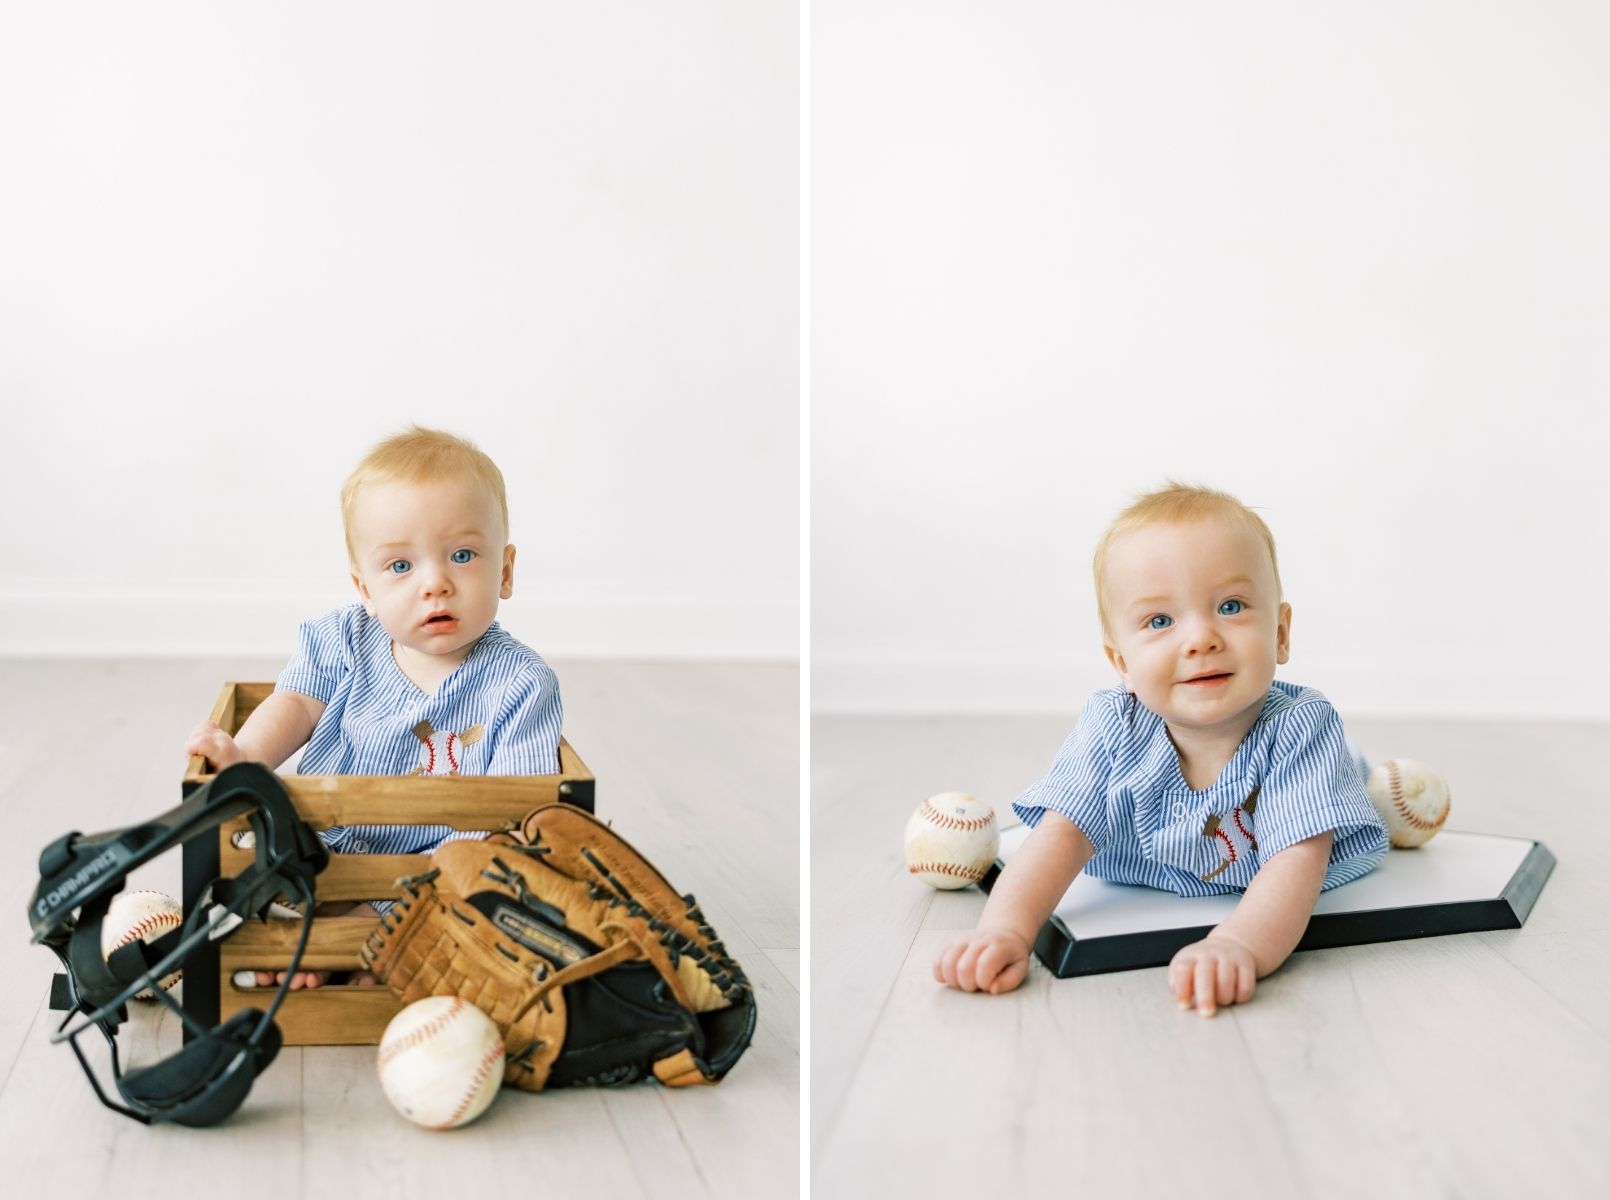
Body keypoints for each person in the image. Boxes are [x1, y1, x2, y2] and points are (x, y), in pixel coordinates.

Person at [933, 483, 1387, 1015]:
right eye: (1160, 621)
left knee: (1357, 780)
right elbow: (1060, 836)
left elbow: (1295, 864)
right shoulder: (1113, 725)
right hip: (1149, 857)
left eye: (1232, 606)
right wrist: (1005, 931)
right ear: (1121, 662)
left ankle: (1371, 777)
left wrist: (1235, 943)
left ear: (1281, 634)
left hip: (1300, 805)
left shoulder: (1300, 728)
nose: (1200, 639)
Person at [185, 425, 563, 988]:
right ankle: (311, 927)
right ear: (365, 585)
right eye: (401, 567)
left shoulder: (521, 683)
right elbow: (294, 705)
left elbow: (519, 810)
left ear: (505, 572)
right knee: (266, 848)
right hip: (326, 844)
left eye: (462, 555)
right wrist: (246, 758)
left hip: (430, 866)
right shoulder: (341, 640)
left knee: (475, 874)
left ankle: (367, 933)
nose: (435, 584)